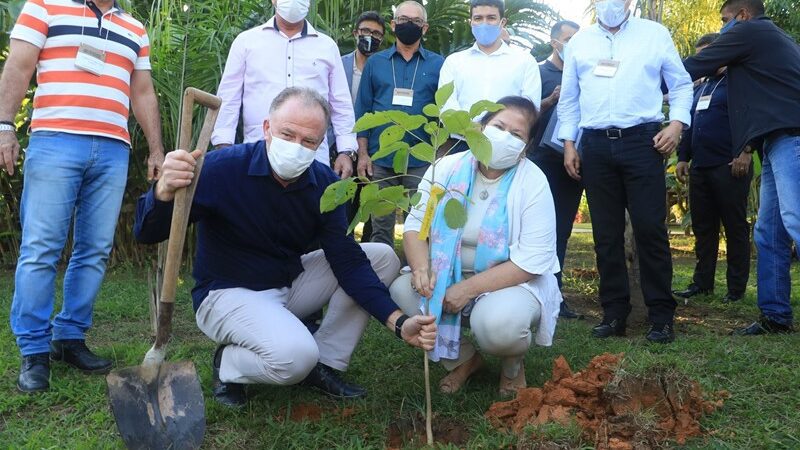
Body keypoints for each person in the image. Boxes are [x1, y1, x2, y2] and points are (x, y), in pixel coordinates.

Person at [134, 87, 437, 407]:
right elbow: (146, 232)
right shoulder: (221, 169)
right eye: (287, 134)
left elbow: (347, 262)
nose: (296, 148)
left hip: (285, 284)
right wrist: (163, 191)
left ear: (321, 144)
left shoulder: (325, 185)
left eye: (308, 141)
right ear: (266, 128)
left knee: (382, 257)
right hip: (225, 294)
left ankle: (327, 362)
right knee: (295, 357)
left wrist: (399, 322)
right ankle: (229, 364)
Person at [0, 0, 164, 393]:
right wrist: (5, 126)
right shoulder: (43, 6)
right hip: (55, 141)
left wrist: (156, 149)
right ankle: (35, 350)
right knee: (42, 247)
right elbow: (18, 68)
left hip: (113, 149)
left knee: (94, 249)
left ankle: (69, 336)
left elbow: (141, 92)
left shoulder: (134, 27)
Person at [390, 96, 562, 397]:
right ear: (481, 128)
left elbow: (532, 261)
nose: (504, 137)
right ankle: (465, 360)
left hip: (507, 285)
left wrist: (467, 290)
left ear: (526, 148)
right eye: (499, 126)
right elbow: (418, 223)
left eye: (516, 135)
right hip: (448, 275)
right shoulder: (446, 168)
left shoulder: (533, 182)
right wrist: (421, 268)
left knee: (500, 326)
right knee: (403, 290)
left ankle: (512, 363)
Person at [558, 0, 694, 343]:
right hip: (595, 145)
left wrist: (676, 125)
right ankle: (614, 313)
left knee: (650, 229)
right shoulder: (580, 42)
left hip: (643, 143)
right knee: (605, 235)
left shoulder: (655, 35)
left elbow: (680, 85)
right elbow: (570, 100)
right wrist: (570, 144)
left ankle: (661, 316)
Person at [683, 0, 800, 335]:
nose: (722, 28)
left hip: (793, 137)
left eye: (725, 20)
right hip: (775, 141)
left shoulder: (752, 31)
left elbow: (697, 63)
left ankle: (776, 313)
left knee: (796, 219)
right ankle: (776, 316)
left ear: (743, 15)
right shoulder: (774, 41)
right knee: (769, 232)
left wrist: (649, 76)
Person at [211, 0, 358, 178]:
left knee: (310, 205)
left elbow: (341, 103)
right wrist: (223, 145)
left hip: (312, 157)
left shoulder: (327, 46)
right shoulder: (246, 42)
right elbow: (228, 98)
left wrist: (346, 150)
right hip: (258, 153)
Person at [354, 1, 444, 248]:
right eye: (403, 19)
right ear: (393, 25)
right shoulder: (376, 63)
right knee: (380, 225)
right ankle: (380, 276)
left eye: (415, 22)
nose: (409, 25)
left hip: (421, 158)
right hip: (380, 157)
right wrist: (363, 153)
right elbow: (363, 110)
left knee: (419, 223)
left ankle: (415, 274)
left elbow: (444, 113)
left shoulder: (439, 65)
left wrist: (440, 156)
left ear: (424, 28)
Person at [673, 33, 751, 304]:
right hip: (701, 167)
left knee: (734, 227)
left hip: (730, 165)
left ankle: (736, 288)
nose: (704, 61)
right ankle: (702, 283)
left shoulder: (738, 82)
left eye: (708, 54)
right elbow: (689, 124)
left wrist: (746, 151)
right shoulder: (700, 87)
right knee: (704, 229)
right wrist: (683, 157)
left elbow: (751, 118)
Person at [529, 19, 583, 320]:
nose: (573, 44)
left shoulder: (585, 72)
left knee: (562, 230)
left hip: (574, 160)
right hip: (542, 159)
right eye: (568, 38)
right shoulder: (538, 72)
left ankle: (556, 295)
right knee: (536, 228)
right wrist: (550, 100)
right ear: (554, 42)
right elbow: (522, 115)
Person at [438, 0, 542, 153]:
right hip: (461, 145)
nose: (484, 23)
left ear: (502, 22)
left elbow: (530, 108)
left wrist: (498, 131)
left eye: (491, 18)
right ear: (470, 22)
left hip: (506, 145)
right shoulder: (454, 61)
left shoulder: (525, 61)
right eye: (478, 18)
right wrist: (474, 130)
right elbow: (446, 105)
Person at [329, 11, 387, 242]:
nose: (370, 37)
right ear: (356, 33)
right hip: (341, 148)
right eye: (365, 31)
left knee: (373, 210)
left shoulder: (384, 67)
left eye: (376, 34)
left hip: (373, 150)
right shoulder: (338, 65)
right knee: (343, 209)